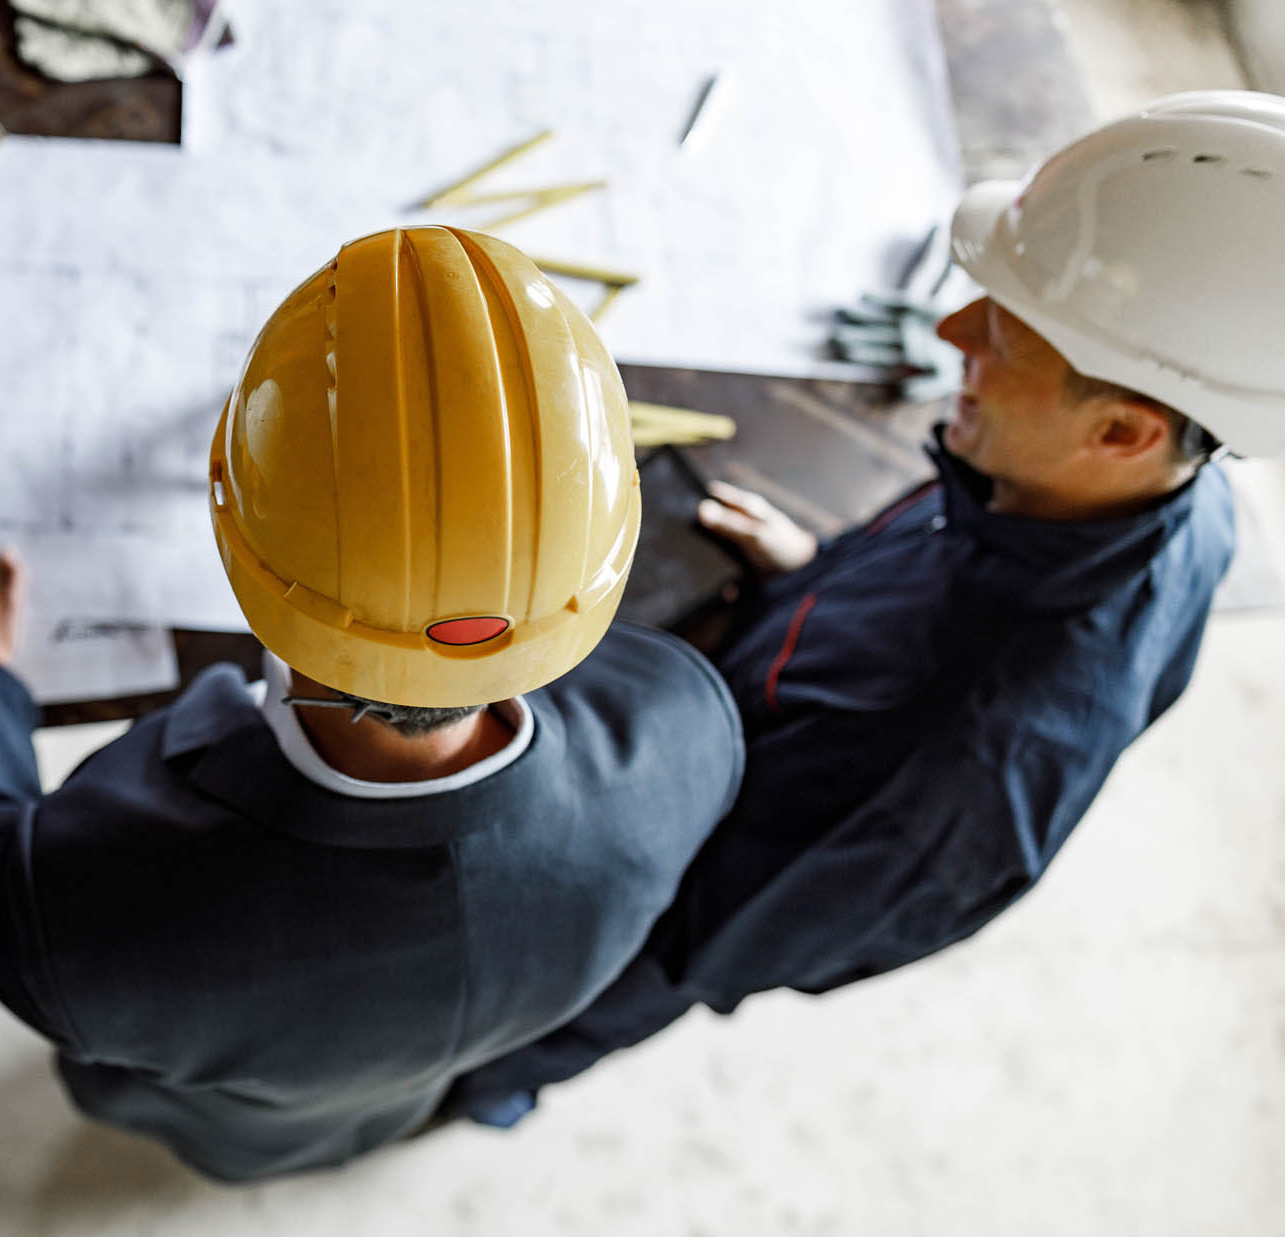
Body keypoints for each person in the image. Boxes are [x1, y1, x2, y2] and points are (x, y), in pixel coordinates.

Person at [445, 90, 1285, 1126]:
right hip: (772, 715)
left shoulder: (953, 777)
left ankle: (479, 1088)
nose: (951, 329)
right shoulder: (1130, 490)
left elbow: (699, 943)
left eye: (1005, 336)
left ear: (1122, 431)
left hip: (667, 896)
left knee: (547, 1008)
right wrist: (818, 578)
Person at [0, 226, 744, 1180]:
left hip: (215, 1124)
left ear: (238, 537)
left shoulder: (87, 922)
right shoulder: (684, 734)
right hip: (380, 1104)